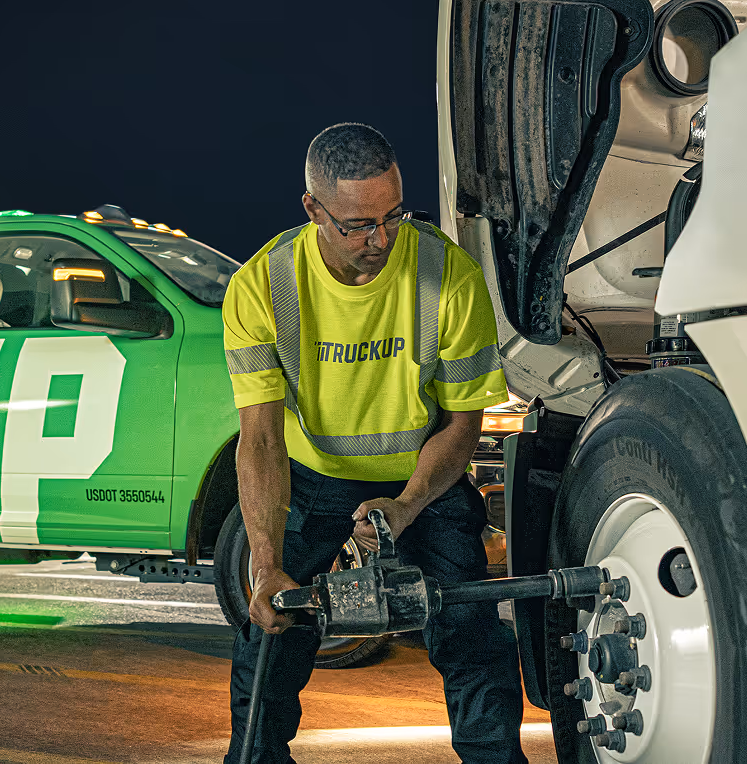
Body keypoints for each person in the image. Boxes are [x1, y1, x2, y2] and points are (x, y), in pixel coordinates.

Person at [220, 123, 525, 764]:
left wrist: (409, 503)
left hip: (425, 477)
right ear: (312, 209)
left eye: (393, 217)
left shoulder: (449, 275)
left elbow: (462, 424)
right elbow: (262, 440)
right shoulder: (261, 286)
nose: (379, 240)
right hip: (314, 475)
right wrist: (266, 562)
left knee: (468, 629)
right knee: (273, 632)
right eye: (358, 225)